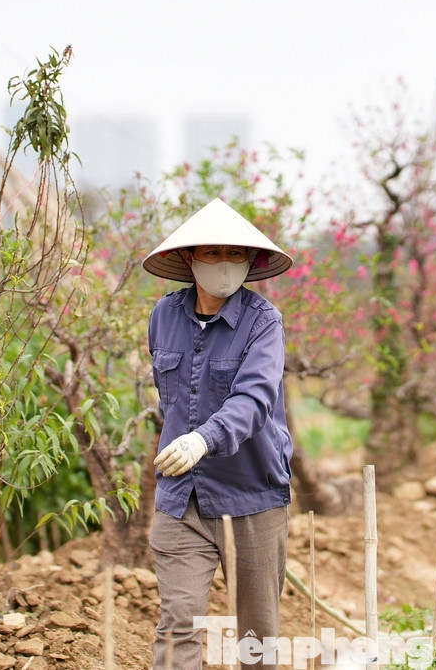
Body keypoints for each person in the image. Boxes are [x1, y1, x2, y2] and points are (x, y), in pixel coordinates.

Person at [141, 198, 294, 669]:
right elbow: (168, 395)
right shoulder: (162, 317)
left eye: (235, 255)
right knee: (178, 621)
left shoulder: (263, 322)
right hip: (182, 495)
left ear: (250, 262)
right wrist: (181, 441)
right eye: (212, 254)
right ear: (189, 259)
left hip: (252, 494)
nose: (225, 265)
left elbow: (254, 399)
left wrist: (203, 438)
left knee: (257, 633)